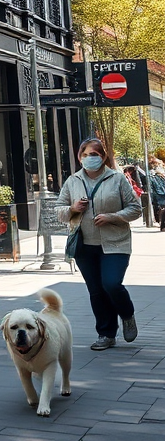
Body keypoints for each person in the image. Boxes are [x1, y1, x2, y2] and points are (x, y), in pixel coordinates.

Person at [56, 137, 141, 351]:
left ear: (103, 157)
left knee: (111, 284)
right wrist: (73, 208)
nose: (89, 158)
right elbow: (59, 211)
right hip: (84, 245)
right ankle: (106, 334)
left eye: (94, 154)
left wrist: (112, 217)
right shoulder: (73, 181)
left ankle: (127, 314)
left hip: (115, 243)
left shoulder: (117, 179)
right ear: (79, 157)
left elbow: (135, 208)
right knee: (96, 291)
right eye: (85, 155)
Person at [147, 157, 165, 231]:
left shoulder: (158, 173)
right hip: (159, 193)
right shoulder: (153, 173)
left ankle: (162, 225)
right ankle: (162, 225)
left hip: (159, 193)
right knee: (163, 209)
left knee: (162, 209)